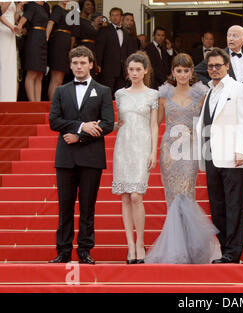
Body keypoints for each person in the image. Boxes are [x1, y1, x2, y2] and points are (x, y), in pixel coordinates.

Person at [145, 53, 221, 264]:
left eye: (186, 70)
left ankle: (191, 248)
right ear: (172, 72)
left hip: (190, 149)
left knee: (185, 195)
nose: (182, 74)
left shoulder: (201, 93)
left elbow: (206, 123)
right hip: (169, 151)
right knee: (172, 198)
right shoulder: (164, 94)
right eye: (178, 70)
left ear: (191, 72)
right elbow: (155, 123)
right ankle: (177, 249)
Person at [48, 46, 115, 264]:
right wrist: (81, 126)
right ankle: (63, 250)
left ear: (91, 65)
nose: (79, 66)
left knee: (88, 207)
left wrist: (80, 136)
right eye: (75, 63)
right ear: (70, 65)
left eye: (83, 63)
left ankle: (85, 250)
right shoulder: (60, 90)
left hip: (91, 157)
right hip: (65, 158)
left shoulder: (103, 91)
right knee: (64, 207)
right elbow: (54, 121)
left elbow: (106, 124)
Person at [195, 25, 243, 215]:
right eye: (229, 35)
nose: (231, 38)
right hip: (217, 141)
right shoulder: (218, 58)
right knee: (219, 198)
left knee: (240, 173)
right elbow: (199, 70)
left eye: (235, 35)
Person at [195, 48, 243, 264]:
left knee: (233, 206)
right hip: (211, 155)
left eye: (218, 65)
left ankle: (233, 252)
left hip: (232, 155)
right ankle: (224, 248)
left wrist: (242, 150)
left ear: (227, 66)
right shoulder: (209, 90)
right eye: (210, 66)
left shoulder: (239, 89)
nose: (214, 69)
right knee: (217, 205)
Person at [112, 53, 159, 264]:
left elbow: (154, 125)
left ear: (145, 71)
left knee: (136, 196)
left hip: (142, 146)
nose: (134, 73)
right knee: (124, 196)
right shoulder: (119, 94)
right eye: (131, 70)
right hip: (123, 146)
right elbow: (117, 121)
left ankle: (140, 243)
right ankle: (130, 246)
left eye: (138, 69)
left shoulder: (153, 95)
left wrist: (153, 151)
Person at [95, 7, 136, 96]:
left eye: (117, 15)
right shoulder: (104, 30)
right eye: (112, 15)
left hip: (122, 71)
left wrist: (129, 69)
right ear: (109, 17)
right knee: (106, 94)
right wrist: (98, 64)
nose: (114, 17)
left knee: (120, 95)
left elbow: (128, 53)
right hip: (108, 70)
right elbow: (99, 48)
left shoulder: (125, 33)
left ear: (121, 17)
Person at [16, 1, 49, 102]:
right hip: (34, 38)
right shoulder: (32, 5)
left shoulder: (45, 7)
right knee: (32, 72)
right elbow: (24, 18)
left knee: (39, 74)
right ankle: (32, 102)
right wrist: (19, 26)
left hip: (42, 40)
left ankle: (37, 102)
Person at [47, 1, 76, 101]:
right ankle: (52, 104)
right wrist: (45, 40)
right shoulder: (57, 8)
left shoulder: (71, 12)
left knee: (60, 78)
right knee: (56, 77)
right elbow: (51, 23)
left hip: (66, 45)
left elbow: (74, 31)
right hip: (58, 43)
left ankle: (55, 103)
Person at [0, 2, 19, 101]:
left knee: (10, 63)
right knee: (4, 61)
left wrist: (19, 6)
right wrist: (10, 26)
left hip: (10, 32)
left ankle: (10, 97)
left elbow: (13, 17)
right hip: (3, 30)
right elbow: (1, 12)